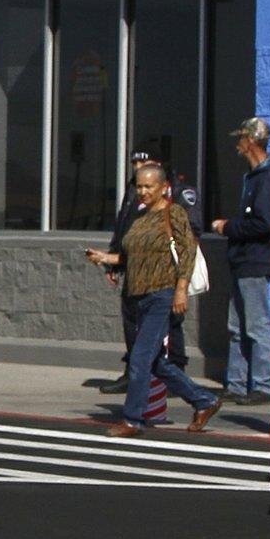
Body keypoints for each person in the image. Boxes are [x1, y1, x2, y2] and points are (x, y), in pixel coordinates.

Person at [86, 158, 219, 437]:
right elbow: (130, 256)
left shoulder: (174, 213)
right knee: (156, 362)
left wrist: (181, 290)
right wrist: (106, 258)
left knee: (140, 358)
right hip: (136, 296)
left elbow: (187, 253)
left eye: (149, 186)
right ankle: (204, 400)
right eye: (140, 186)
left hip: (162, 295)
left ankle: (132, 419)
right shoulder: (140, 217)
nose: (143, 191)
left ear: (163, 187)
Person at [211, 120, 270, 405]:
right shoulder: (253, 176)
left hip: (254, 260)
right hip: (242, 260)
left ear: (252, 141)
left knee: (256, 325)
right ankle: (237, 382)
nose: (238, 145)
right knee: (236, 325)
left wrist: (228, 227)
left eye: (241, 139)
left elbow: (264, 223)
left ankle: (265, 384)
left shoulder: (266, 179)